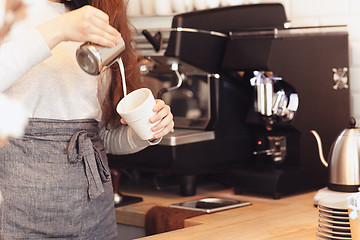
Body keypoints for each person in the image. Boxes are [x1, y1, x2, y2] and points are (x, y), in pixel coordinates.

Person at [0, 0, 174, 239]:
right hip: (16, 216)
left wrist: (146, 129)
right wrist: (58, 29)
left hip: (94, 218)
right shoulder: (9, 9)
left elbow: (101, 137)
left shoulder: (99, 15)